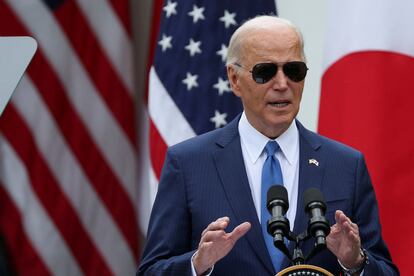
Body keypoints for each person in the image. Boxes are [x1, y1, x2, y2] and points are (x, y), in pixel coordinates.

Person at [138, 15, 399, 275]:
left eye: (294, 70)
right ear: (235, 79)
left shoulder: (346, 165)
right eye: (266, 71)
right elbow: (151, 270)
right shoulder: (188, 164)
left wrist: (355, 262)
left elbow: (385, 270)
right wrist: (197, 264)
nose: (283, 84)